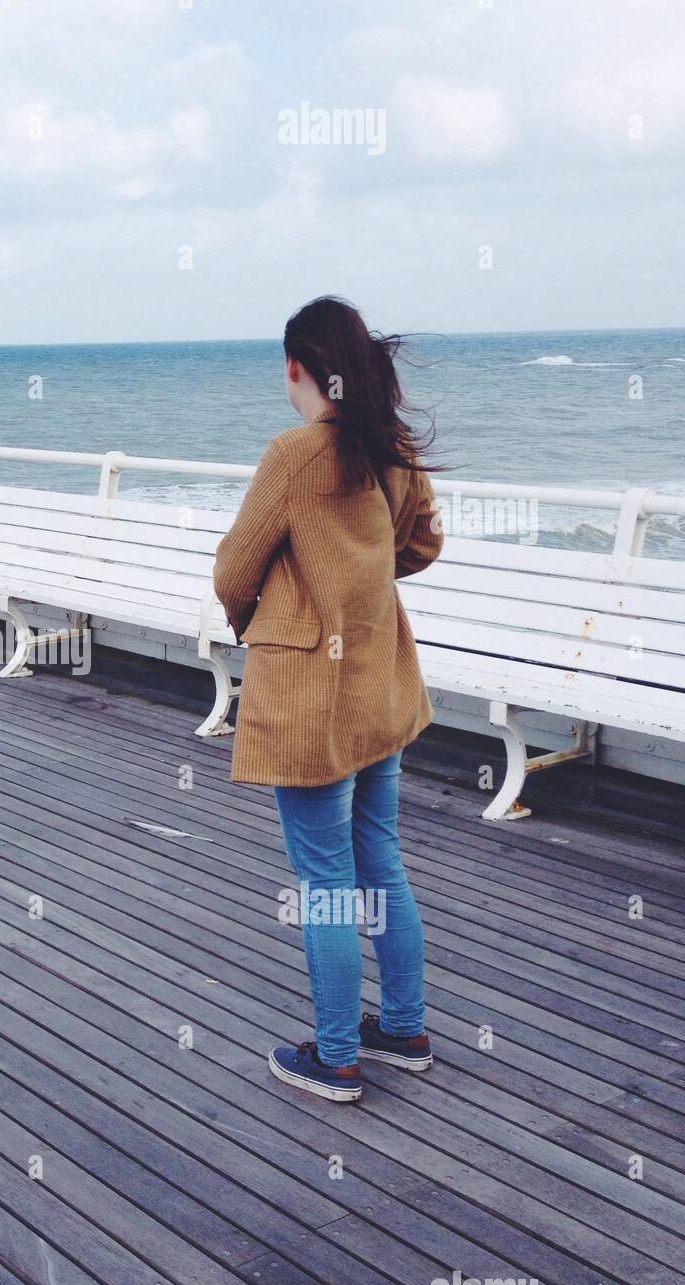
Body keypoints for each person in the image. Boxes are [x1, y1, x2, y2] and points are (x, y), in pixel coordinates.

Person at [213, 295, 443, 1103]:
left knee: (325, 881)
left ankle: (338, 1056)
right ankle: (405, 1030)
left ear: (296, 368)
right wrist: (356, 592)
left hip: (313, 701)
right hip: (378, 685)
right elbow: (422, 545)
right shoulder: (392, 447)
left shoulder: (294, 454)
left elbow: (233, 572)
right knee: (379, 855)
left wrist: (271, 617)